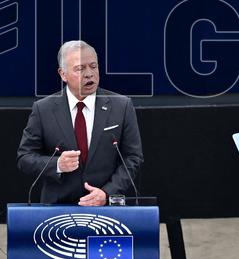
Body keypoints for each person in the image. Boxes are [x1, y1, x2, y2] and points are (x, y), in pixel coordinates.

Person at [17, 40, 144, 206]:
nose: (89, 74)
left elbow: (133, 157)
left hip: (106, 208)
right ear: (63, 74)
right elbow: (24, 158)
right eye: (80, 68)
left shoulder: (122, 106)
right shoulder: (43, 109)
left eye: (93, 66)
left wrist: (107, 192)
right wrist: (57, 165)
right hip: (57, 208)